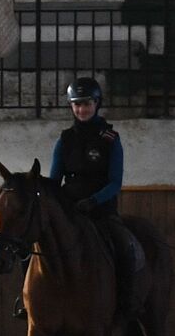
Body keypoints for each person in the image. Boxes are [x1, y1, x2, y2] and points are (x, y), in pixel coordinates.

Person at [27, 76, 139, 319]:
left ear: (97, 104)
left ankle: (125, 302)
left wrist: (94, 201)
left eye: (87, 103)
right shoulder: (65, 140)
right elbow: (56, 180)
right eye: (77, 104)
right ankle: (27, 300)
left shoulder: (110, 139)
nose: (82, 109)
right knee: (31, 240)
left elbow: (115, 182)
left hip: (101, 210)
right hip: (70, 209)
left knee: (124, 246)